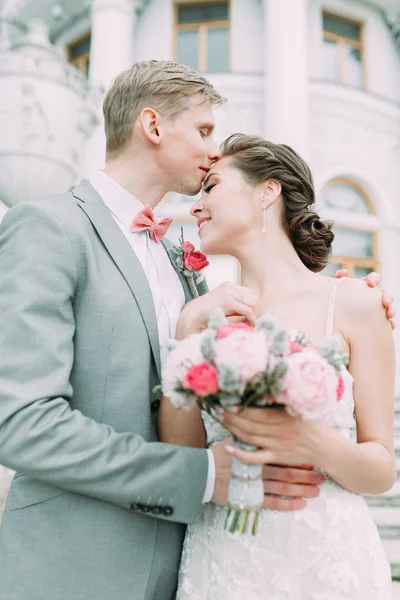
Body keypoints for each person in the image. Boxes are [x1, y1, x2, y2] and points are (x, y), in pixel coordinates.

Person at [0, 60, 393, 600]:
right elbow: (23, 423)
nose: (212, 151)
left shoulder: (184, 268)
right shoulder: (48, 228)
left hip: (203, 562)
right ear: (154, 127)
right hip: (80, 565)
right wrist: (204, 477)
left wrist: (349, 306)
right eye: (205, 132)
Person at [159, 133, 396, 599]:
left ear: (267, 191)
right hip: (222, 558)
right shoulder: (204, 314)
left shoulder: (352, 302)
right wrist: (187, 332)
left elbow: (381, 470)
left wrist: (313, 441)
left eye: (211, 187)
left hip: (324, 561)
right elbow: (181, 453)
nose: (197, 204)